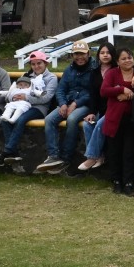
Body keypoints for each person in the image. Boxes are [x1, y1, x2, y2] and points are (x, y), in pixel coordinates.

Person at [37, 41, 96, 173]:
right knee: (49, 119)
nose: (79, 57)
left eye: (82, 54)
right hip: (67, 103)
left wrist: (76, 104)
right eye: (76, 54)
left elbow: (94, 92)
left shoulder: (95, 69)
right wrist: (63, 103)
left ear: (88, 53)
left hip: (85, 105)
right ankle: (53, 156)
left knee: (72, 119)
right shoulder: (69, 69)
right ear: (72, 55)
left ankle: (66, 158)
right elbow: (60, 90)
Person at [0, 50, 56, 167]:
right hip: (19, 105)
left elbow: (46, 98)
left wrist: (26, 97)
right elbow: (14, 91)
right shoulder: (26, 76)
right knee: (5, 119)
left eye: (39, 63)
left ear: (45, 64)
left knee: (21, 119)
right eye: (33, 64)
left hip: (39, 108)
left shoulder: (51, 78)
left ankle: (7, 151)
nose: (36, 66)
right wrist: (14, 97)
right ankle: (12, 152)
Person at [100, 48, 134, 196]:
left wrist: (127, 96)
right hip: (114, 119)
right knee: (114, 152)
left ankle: (129, 183)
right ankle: (116, 181)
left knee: (130, 152)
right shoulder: (112, 73)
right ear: (118, 61)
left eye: (130, 57)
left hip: (132, 120)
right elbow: (104, 91)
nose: (128, 60)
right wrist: (121, 89)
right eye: (124, 58)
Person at [78, 42, 118, 172]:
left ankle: (92, 156)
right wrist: (91, 112)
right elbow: (93, 95)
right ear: (98, 55)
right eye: (102, 53)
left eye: (108, 53)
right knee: (87, 124)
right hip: (101, 110)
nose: (105, 55)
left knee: (100, 124)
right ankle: (99, 156)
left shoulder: (117, 71)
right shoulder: (94, 73)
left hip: (114, 110)